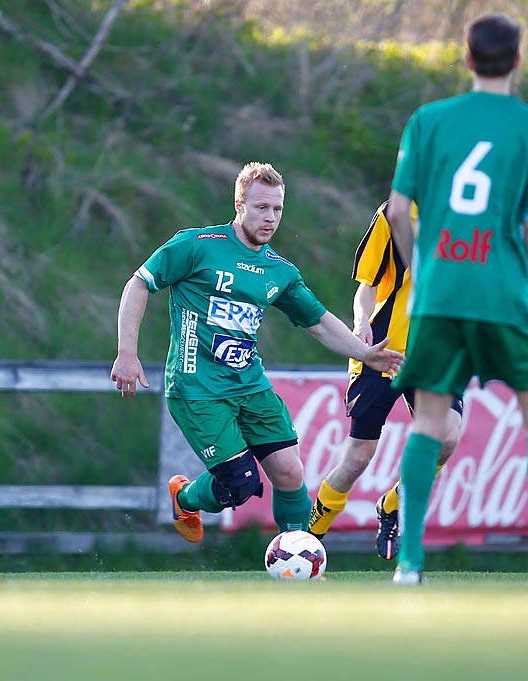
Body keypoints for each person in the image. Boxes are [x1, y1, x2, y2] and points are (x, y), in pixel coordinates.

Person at [385, 14, 528, 586]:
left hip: (440, 294)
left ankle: (410, 562)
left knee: (427, 421)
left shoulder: (427, 121)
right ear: (518, 61)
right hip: (504, 293)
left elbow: (399, 211)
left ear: (466, 59)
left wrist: (420, 268)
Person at [111, 162, 403, 540]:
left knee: (290, 472)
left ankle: (298, 555)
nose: (270, 218)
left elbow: (319, 322)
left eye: (278, 209)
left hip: (250, 386)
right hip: (198, 389)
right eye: (261, 208)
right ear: (239, 205)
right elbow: (139, 284)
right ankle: (185, 497)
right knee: (240, 483)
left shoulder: (279, 271)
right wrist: (126, 353)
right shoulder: (197, 246)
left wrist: (365, 354)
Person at [308, 199, 465, 559]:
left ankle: (392, 505)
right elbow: (368, 284)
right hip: (383, 350)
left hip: (437, 352)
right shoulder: (394, 212)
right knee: (359, 457)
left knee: (446, 438)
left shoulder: (471, 213)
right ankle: (308, 539)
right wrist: (361, 322)